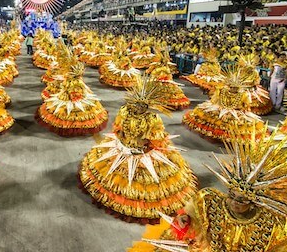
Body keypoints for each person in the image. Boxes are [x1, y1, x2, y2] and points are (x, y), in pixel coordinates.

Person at [116, 127, 287, 252]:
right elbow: (192, 215)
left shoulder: (273, 223)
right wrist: (184, 219)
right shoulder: (210, 199)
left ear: (256, 202)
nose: (234, 202)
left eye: (242, 200)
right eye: (232, 195)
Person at [78, 75, 197, 223]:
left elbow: (157, 137)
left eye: (142, 106)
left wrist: (146, 142)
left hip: (143, 151)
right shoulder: (124, 112)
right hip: (123, 146)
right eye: (136, 104)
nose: (138, 108)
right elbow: (118, 128)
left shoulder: (152, 119)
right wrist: (121, 137)